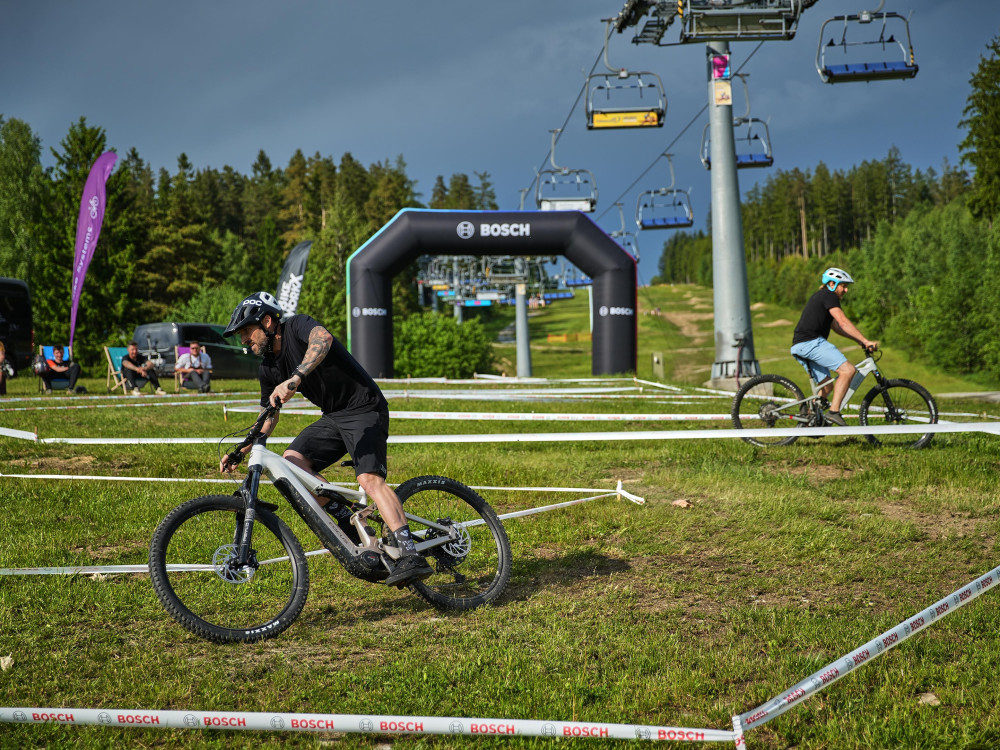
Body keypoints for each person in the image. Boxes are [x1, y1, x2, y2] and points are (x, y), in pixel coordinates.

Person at [219, 291, 433, 586]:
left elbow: (323, 340)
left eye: (246, 332)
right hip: (334, 416)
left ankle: (411, 555)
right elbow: (268, 416)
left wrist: (295, 379)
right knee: (293, 463)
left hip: (365, 407)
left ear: (267, 322)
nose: (244, 340)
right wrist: (242, 449)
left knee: (369, 480)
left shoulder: (297, 326)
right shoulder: (268, 367)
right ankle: (347, 518)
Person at [790, 267, 878, 426]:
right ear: (831, 283)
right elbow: (843, 322)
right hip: (811, 343)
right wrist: (865, 340)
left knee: (827, 385)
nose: (846, 290)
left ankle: (811, 419)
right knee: (848, 370)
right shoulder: (829, 295)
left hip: (802, 344)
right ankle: (834, 412)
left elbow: (837, 327)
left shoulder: (822, 297)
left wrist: (859, 341)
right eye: (843, 286)